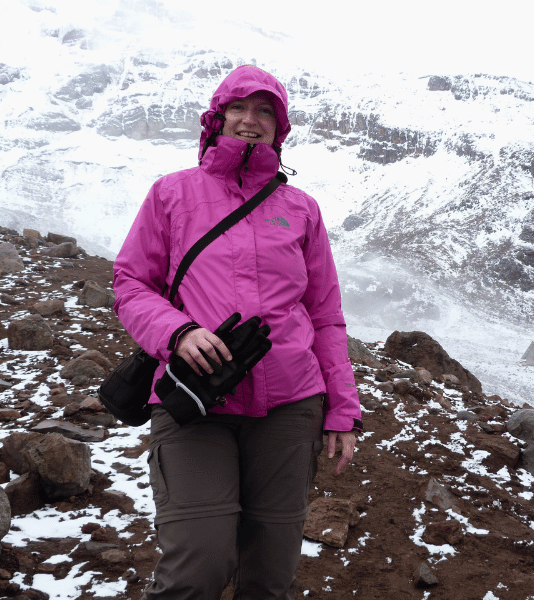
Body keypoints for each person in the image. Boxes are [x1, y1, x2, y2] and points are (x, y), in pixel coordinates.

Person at [112, 64, 362, 600]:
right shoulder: (172, 194)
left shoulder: (302, 209)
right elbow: (131, 283)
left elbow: (324, 315)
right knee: (197, 565)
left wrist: (343, 409)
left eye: (265, 110)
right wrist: (178, 332)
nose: (251, 120)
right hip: (193, 398)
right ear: (218, 118)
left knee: (269, 576)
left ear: (280, 126)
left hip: (290, 404)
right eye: (239, 108)